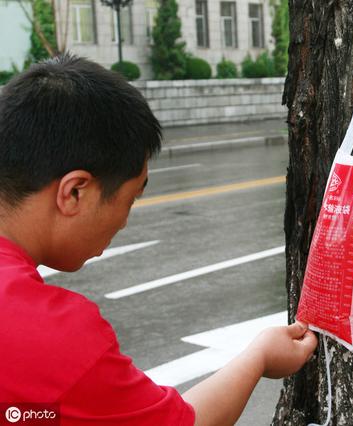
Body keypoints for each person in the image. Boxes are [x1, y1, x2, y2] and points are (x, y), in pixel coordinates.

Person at [0, 54, 317, 425]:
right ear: (74, 193)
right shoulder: (46, 333)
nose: (123, 222)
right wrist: (259, 357)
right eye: (131, 198)